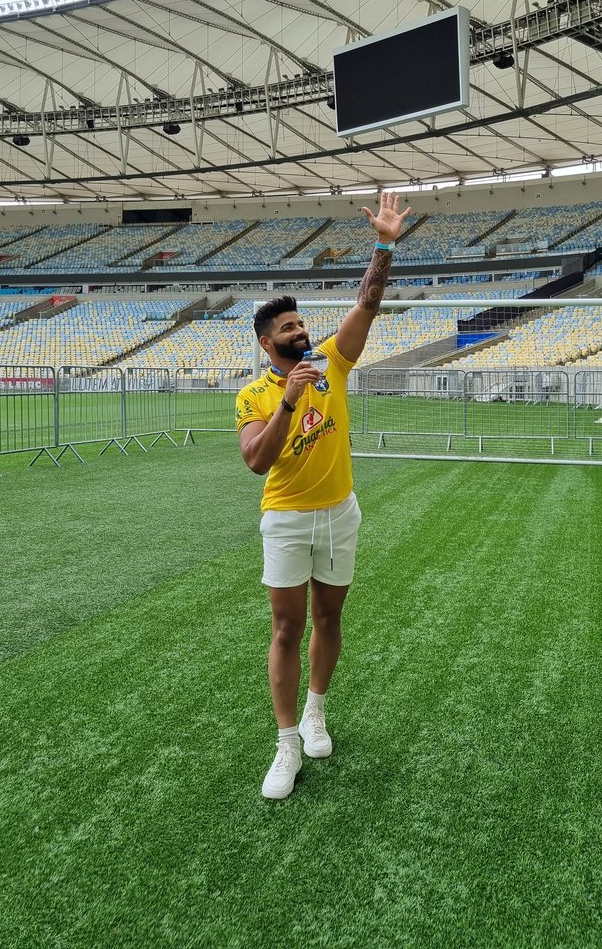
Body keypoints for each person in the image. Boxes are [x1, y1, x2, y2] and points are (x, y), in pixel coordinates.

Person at [235, 191, 412, 799]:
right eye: (288, 327)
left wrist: (384, 245)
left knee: (329, 616)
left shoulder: (333, 360)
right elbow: (257, 461)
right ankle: (286, 746)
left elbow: (367, 301)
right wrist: (290, 398)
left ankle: (316, 712)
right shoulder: (254, 395)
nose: (301, 330)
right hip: (285, 520)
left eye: (301, 322)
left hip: (340, 514)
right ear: (267, 344)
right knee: (286, 630)